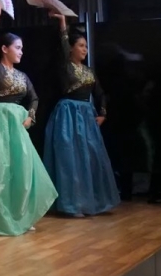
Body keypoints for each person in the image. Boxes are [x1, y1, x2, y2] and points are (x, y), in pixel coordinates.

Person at [0, 5, 57, 235]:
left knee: (21, 170)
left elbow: (34, 98)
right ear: (4, 49)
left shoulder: (23, 76)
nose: (21, 52)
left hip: (17, 125)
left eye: (22, 48)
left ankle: (20, 215)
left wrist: (30, 116)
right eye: (17, 48)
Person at [43, 12, 120, 217]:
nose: (85, 49)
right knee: (70, 159)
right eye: (81, 46)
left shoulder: (89, 71)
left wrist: (102, 113)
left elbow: (100, 93)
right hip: (67, 115)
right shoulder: (65, 66)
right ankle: (72, 204)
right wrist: (63, 23)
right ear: (71, 48)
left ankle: (92, 202)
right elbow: (62, 43)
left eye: (86, 46)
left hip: (86, 116)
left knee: (90, 158)